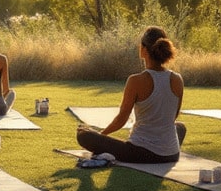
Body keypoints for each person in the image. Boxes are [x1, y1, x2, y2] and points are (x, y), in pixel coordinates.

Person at [76, 26, 186, 163]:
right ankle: (167, 147)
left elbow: (122, 119)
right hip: (171, 154)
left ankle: (93, 136)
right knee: (180, 126)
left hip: (140, 153)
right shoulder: (177, 79)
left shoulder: (135, 80)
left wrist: (100, 135)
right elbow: (173, 117)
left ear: (143, 50)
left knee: (84, 135)